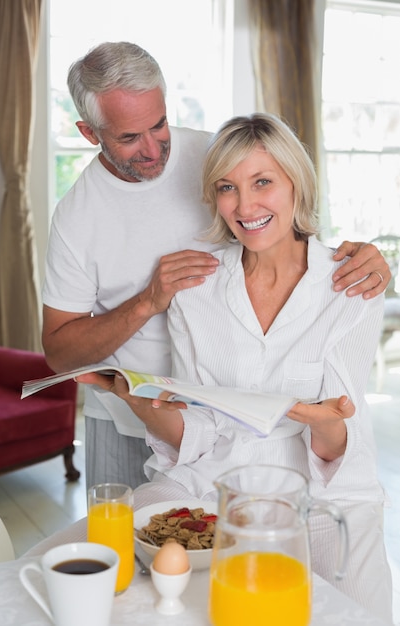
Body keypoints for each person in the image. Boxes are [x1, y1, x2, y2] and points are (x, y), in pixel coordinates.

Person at [78, 113, 393, 623]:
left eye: (262, 182)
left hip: (317, 487)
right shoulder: (196, 284)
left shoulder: (351, 284)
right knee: (138, 559)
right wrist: (133, 397)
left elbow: (338, 445)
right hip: (213, 473)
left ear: (297, 183)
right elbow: (197, 429)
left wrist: (326, 422)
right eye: (228, 187)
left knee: (356, 607)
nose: (245, 207)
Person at [42, 41, 391, 492]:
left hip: (229, 415)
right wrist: (147, 302)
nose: (152, 149)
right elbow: (58, 352)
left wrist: (364, 257)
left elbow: (280, 219)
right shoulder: (76, 218)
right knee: (124, 550)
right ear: (90, 133)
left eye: (159, 124)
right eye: (129, 138)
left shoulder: (213, 157)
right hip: (127, 415)